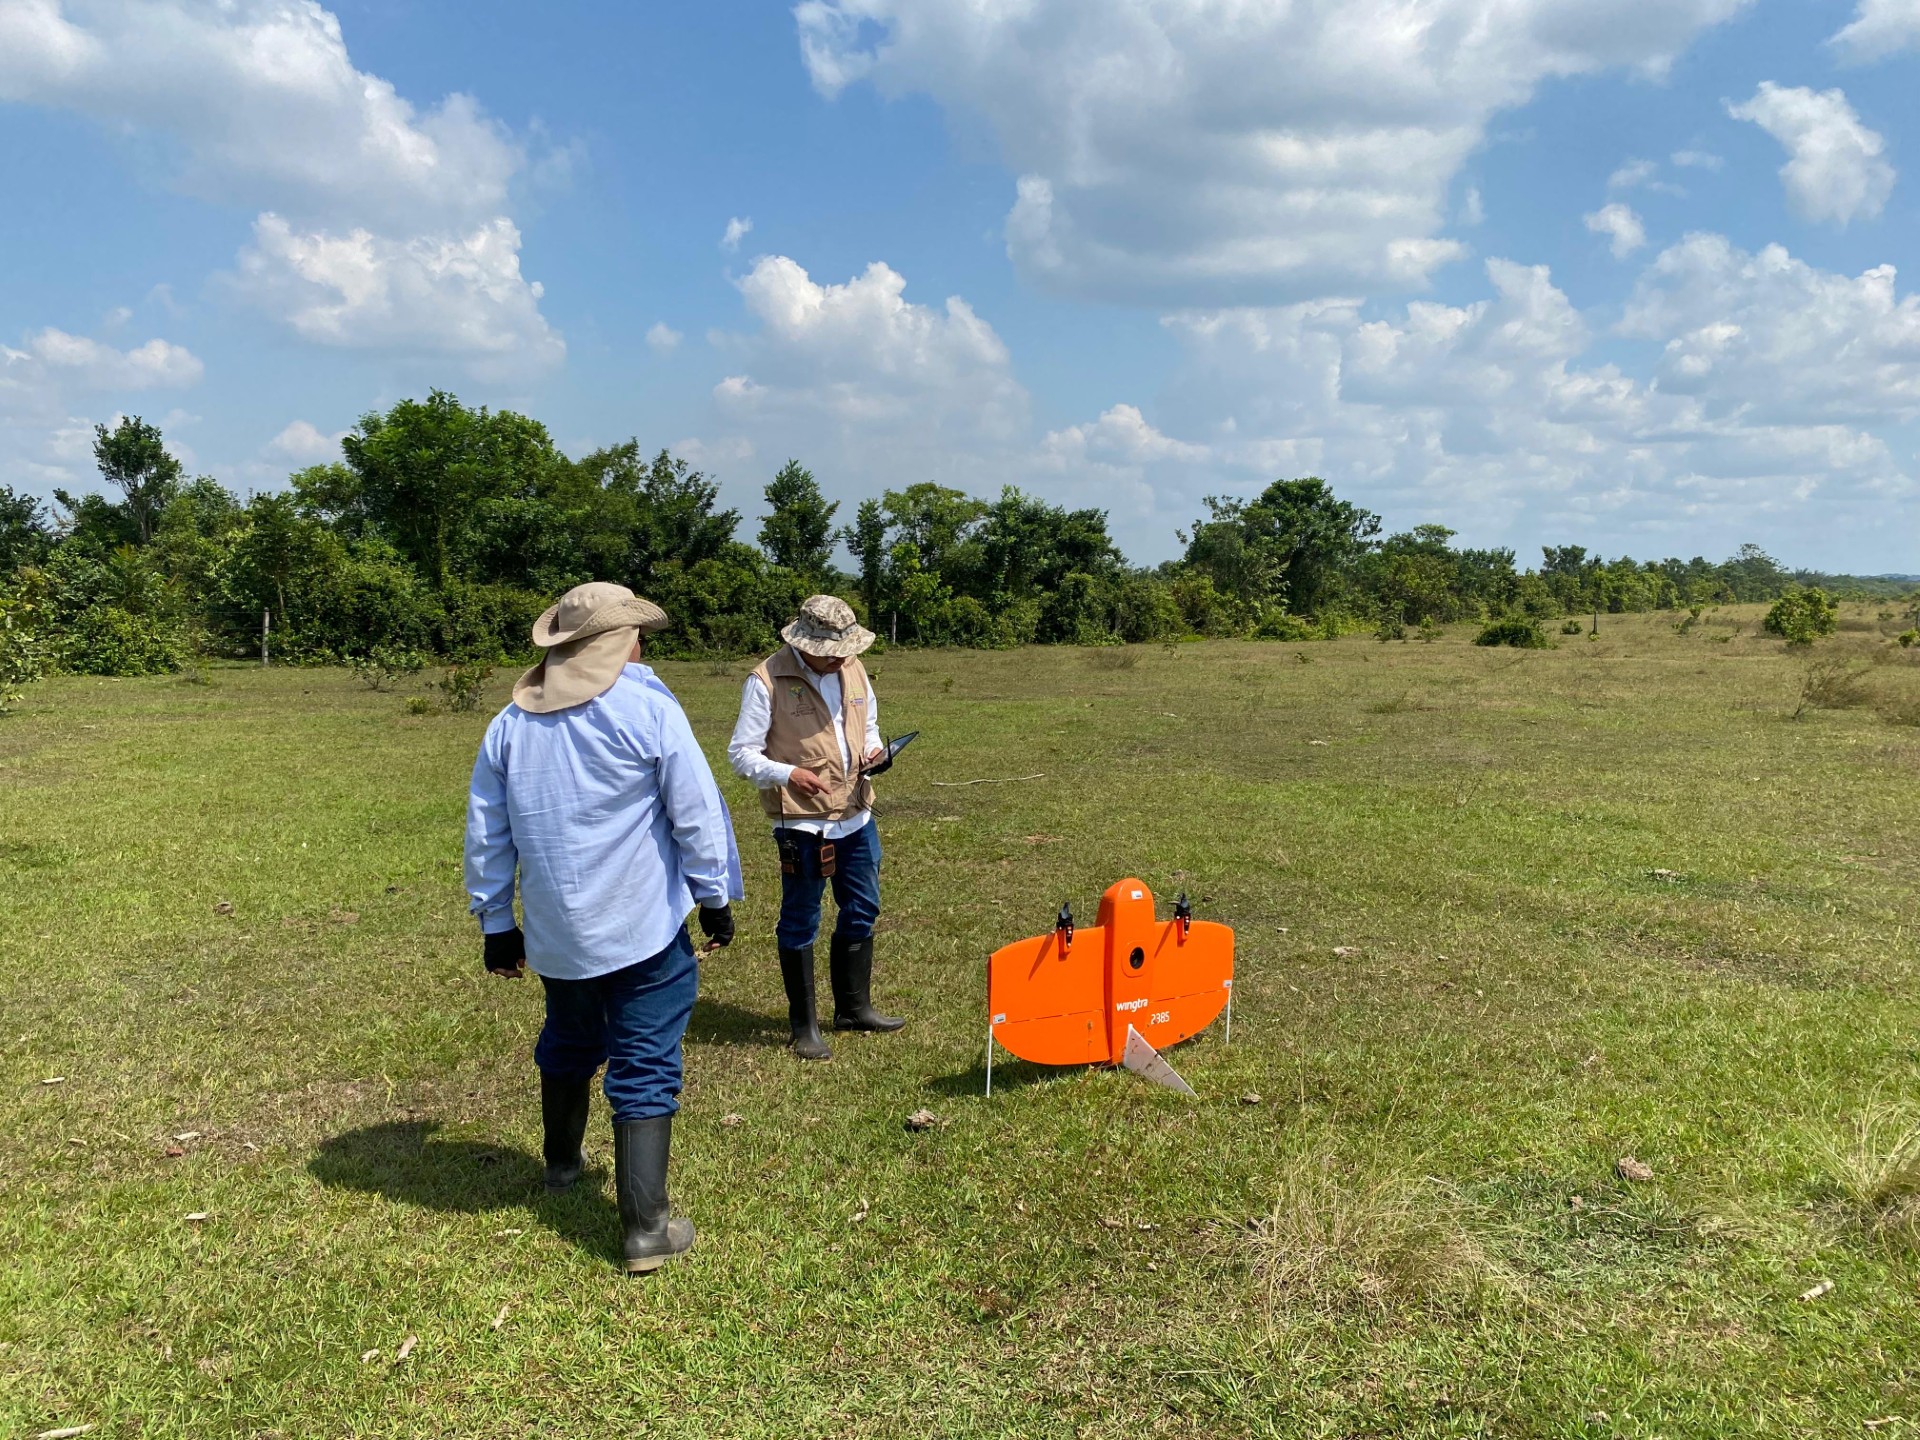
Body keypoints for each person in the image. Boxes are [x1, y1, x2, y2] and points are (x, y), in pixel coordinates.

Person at [464, 582, 742, 1274]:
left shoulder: (510, 724)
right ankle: (646, 1228)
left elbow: (487, 834)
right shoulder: (647, 709)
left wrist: (498, 923)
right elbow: (697, 810)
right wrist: (714, 896)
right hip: (645, 929)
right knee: (644, 1061)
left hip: (558, 937)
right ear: (621, 643)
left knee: (569, 1038)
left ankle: (562, 1166)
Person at [728, 593, 905, 1061]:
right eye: (832, 653)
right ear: (803, 644)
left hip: (856, 812)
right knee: (801, 917)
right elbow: (741, 754)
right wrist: (788, 774)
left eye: (847, 651)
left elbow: (866, 725)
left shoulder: (852, 668)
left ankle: (854, 1009)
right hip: (802, 822)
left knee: (863, 907)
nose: (841, 660)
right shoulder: (765, 680)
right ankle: (803, 1026)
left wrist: (873, 752)